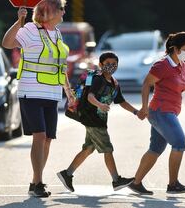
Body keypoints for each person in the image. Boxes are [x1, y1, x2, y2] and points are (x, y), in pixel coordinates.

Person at [1, 0, 75, 197]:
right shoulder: (30, 30)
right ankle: (39, 182)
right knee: (39, 135)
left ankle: (35, 182)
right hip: (31, 91)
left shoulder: (57, 34)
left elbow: (60, 67)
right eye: (61, 8)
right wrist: (19, 21)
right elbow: (7, 43)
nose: (64, 12)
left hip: (52, 94)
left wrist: (68, 92)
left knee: (48, 139)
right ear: (49, 10)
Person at [129, 32, 185, 195]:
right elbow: (146, 85)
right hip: (160, 112)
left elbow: (181, 85)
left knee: (155, 149)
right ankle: (173, 184)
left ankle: (136, 183)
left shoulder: (182, 65)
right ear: (176, 48)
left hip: (168, 112)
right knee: (179, 143)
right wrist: (144, 107)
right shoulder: (162, 65)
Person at [57, 52, 136, 192]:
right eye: (107, 64)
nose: (111, 67)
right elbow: (90, 97)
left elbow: (122, 102)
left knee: (88, 148)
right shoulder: (98, 79)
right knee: (107, 149)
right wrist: (100, 105)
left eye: (114, 64)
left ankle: (67, 174)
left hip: (98, 119)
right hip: (92, 118)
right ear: (101, 65)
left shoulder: (114, 83)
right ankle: (116, 180)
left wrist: (137, 112)